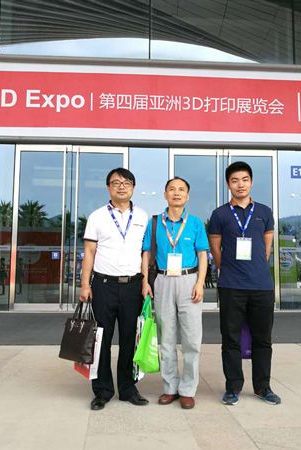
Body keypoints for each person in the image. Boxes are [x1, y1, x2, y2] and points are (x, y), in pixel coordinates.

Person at [208, 161, 280, 406]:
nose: (240, 184)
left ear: (251, 182)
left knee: (263, 339)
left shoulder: (264, 212)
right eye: (235, 180)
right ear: (228, 184)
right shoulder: (219, 214)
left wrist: (256, 267)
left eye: (245, 179)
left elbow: (267, 248)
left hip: (261, 286)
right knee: (231, 339)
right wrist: (228, 268)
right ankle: (233, 387)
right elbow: (216, 249)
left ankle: (263, 386)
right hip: (231, 285)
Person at [80, 168, 149, 411]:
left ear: (133, 188)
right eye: (116, 182)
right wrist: (85, 284)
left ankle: (128, 389)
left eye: (126, 182)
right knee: (101, 340)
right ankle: (102, 391)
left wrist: (145, 282)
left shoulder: (142, 216)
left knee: (131, 339)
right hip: (103, 286)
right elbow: (89, 252)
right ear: (108, 187)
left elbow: (145, 253)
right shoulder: (97, 216)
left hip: (132, 286)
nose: (121, 186)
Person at [141, 177, 209, 410]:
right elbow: (146, 254)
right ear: (165, 194)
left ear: (187, 196)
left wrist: (200, 283)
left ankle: (188, 389)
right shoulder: (154, 223)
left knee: (192, 339)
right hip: (162, 281)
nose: (176, 193)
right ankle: (170, 387)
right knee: (166, 338)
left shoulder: (195, 223)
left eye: (181, 190)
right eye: (172, 189)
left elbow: (202, 255)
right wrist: (145, 281)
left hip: (189, 281)